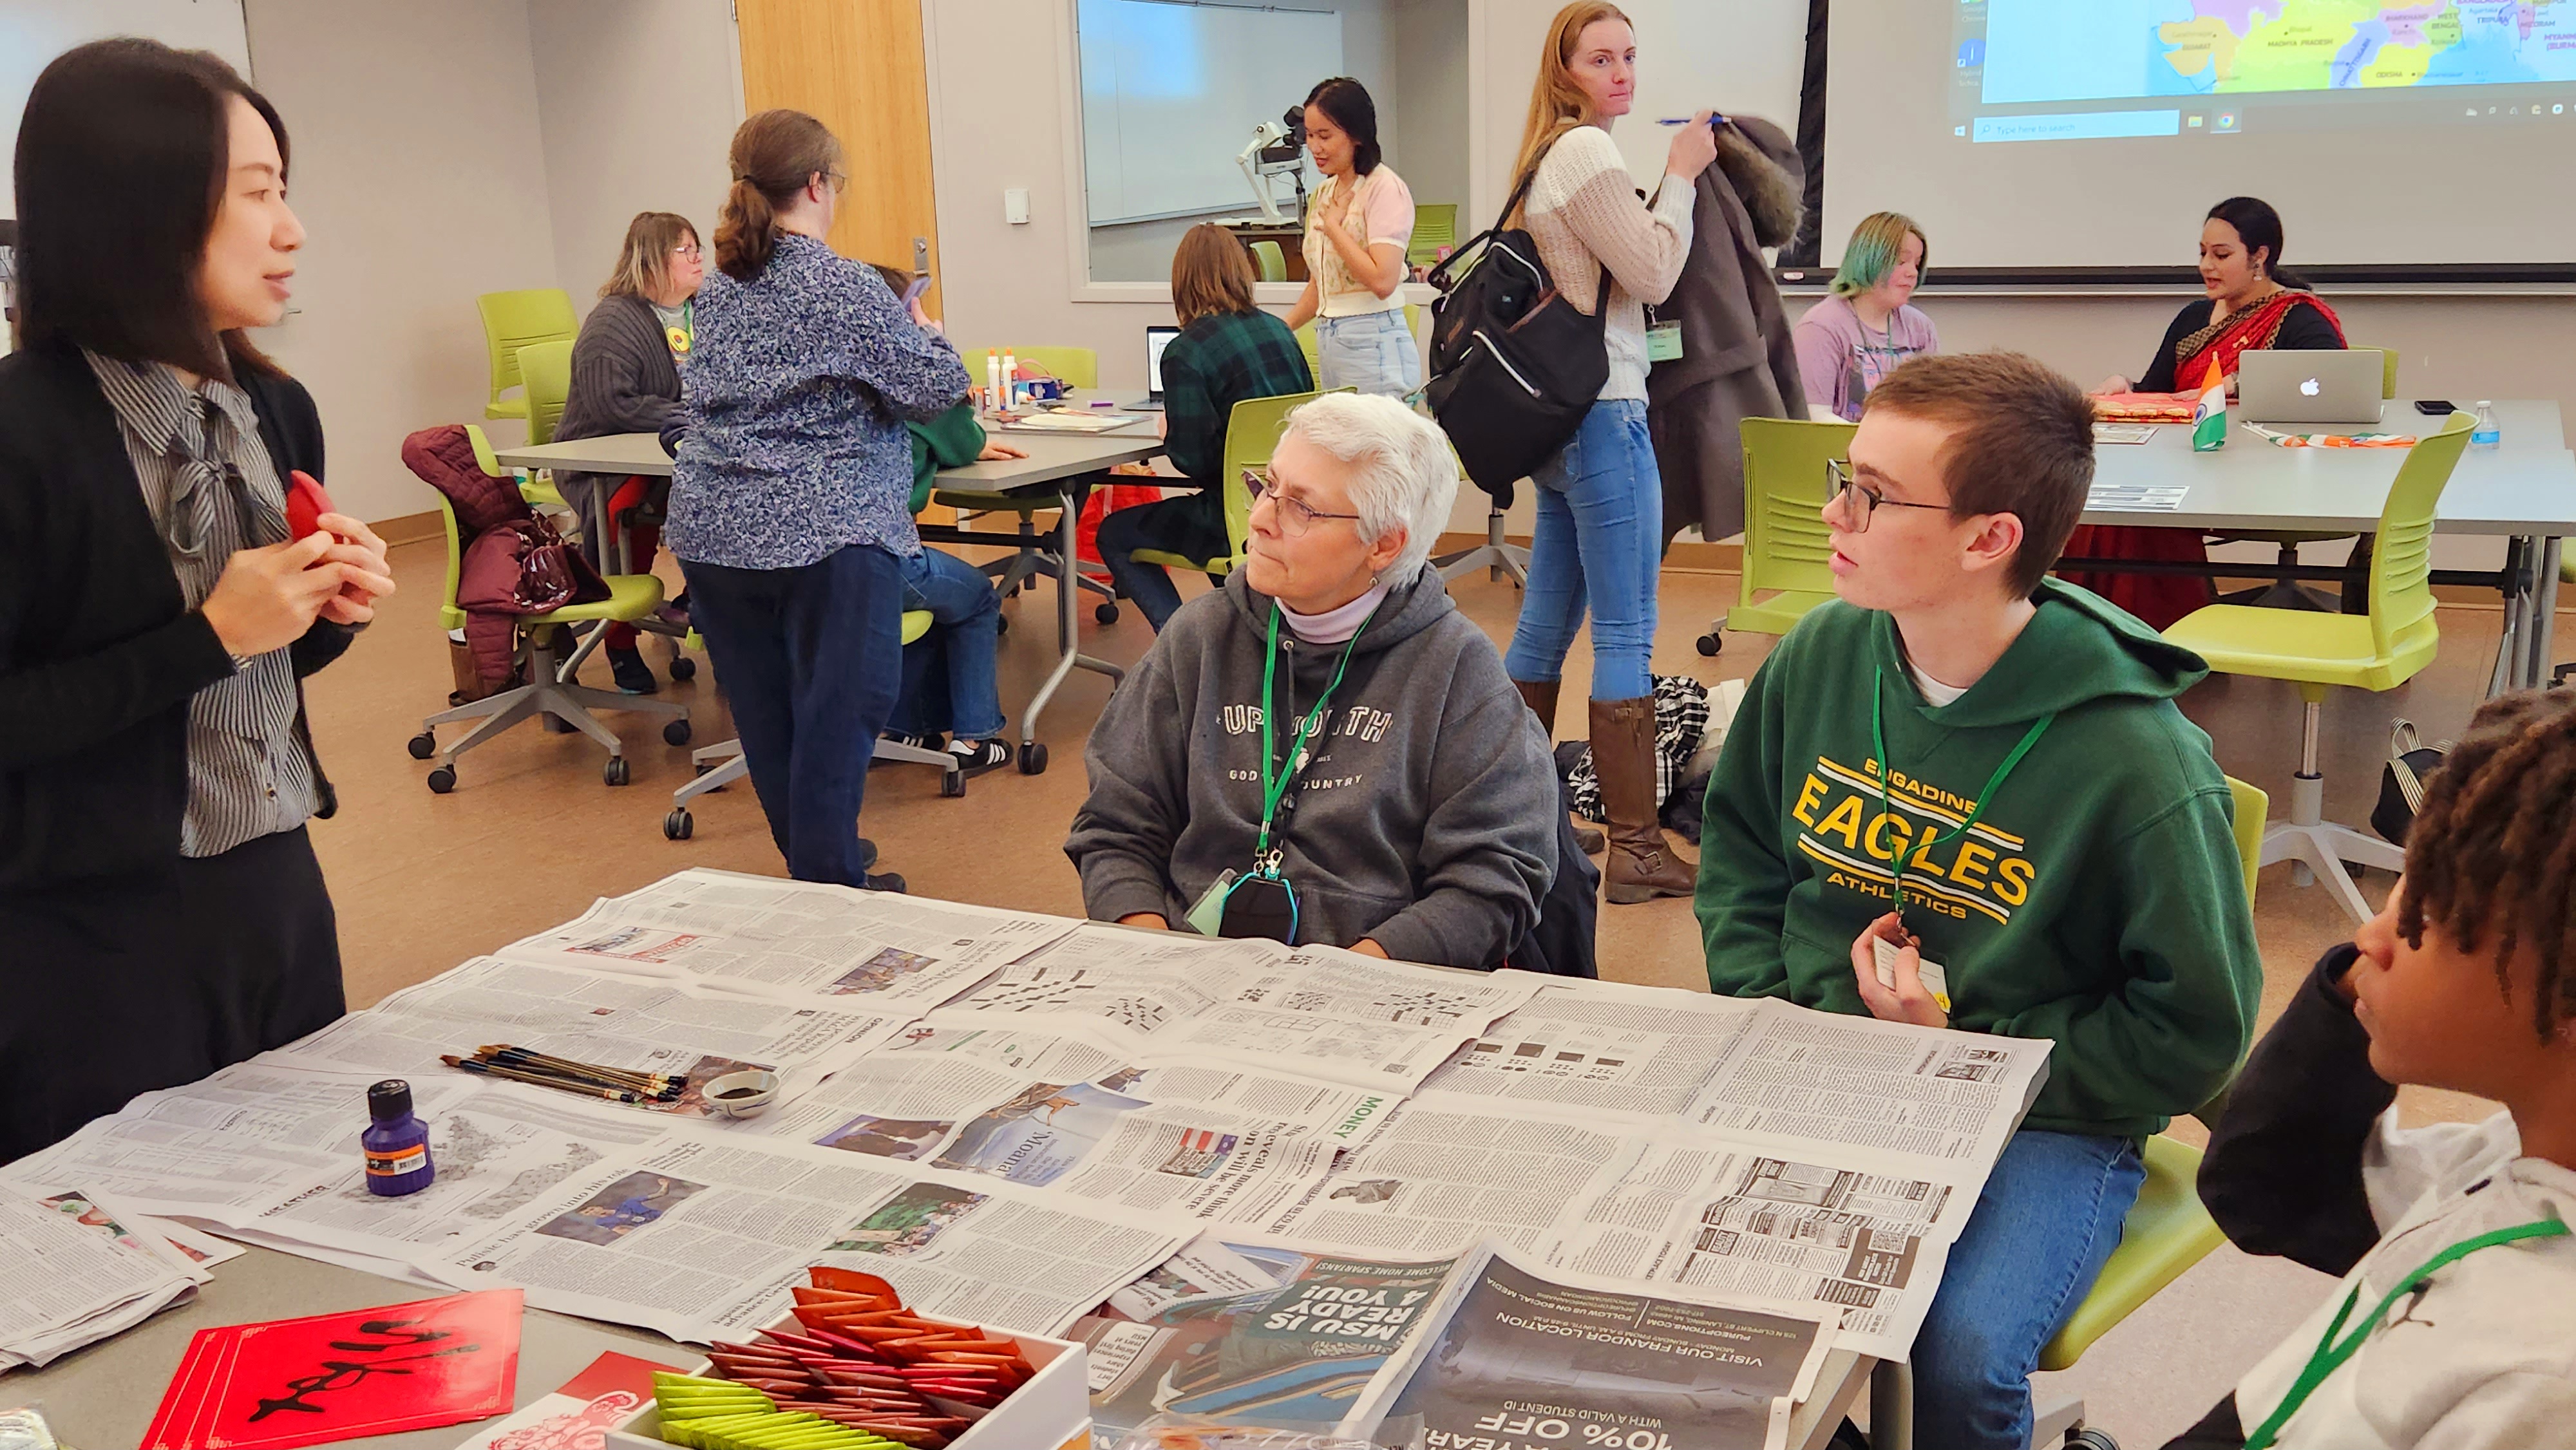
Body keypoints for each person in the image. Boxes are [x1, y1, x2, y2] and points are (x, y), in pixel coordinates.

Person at [1694, 353, 2258, 1450]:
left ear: (1989, 537)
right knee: (1679, 1300)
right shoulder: (1819, 653)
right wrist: (1782, 1009)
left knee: (1957, 1354)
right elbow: (1743, 858)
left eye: (1874, 494)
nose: (1833, 513)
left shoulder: (2138, 761)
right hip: (1822, 1056)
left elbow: (2194, 1032)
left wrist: (1970, 1052)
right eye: (1842, 476)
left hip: (2043, 1109)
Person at [0, 39, 395, 1163]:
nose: (292, 229)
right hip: (87, 935)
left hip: (274, 890)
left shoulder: (274, 411)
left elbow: (256, 675)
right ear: (141, 210)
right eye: (257, 194)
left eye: (287, 191)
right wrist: (208, 637)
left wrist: (321, 616)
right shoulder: (21, 437)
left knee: (313, 1203)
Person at [2170, 688, 2576, 1450]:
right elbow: (2270, 1190)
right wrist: (2351, 993)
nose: (2370, 932)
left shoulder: (2547, 1382)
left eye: (2423, 907)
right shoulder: (2515, 1153)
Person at [1068, 393, 1558, 969]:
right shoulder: (1198, 638)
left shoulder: (1456, 669)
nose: (1259, 519)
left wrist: (1354, 976)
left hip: (1372, 981)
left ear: (1384, 544)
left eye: (1301, 507)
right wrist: (1153, 950)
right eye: (1268, 486)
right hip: (1189, 963)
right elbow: (1116, 827)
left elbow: (1492, 880)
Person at [668, 109, 969, 891]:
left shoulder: (721, 285)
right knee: (843, 708)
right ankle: (832, 884)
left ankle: (819, 863)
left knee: (770, 717)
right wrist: (926, 331)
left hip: (715, 526)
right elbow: (936, 390)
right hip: (825, 525)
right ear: (815, 184)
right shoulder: (840, 283)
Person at [1499, 1, 1718, 904]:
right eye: (1601, 58)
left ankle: (1519, 819)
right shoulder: (1588, 153)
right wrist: (1683, 177)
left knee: (1545, 626)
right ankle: (1636, 849)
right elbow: (1654, 273)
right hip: (1605, 416)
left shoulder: (1544, 159)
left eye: (1629, 55)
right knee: (1626, 628)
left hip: (1563, 426)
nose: (1622, 72)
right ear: (1565, 72)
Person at [2074, 196, 2348, 628]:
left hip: (2259, 469)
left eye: (2221, 255)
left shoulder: (2298, 317)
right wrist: (2123, 387)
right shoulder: (2195, 316)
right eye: (2203, 254)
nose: (2207, 266)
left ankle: (2165, 637)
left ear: (2261, 256)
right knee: (2113, 498)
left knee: (2146, 505)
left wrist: (2236, 383)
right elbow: (2158, 391)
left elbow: (2330, 381)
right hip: (2186, 461)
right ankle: (2101, 636)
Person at [1096, 224, 1313, 632]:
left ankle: (1184, 648)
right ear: (1240, 271)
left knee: (1114, 533)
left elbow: (1193, 462)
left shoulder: (1186, 351)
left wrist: (1171, 432)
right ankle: (1241, 634)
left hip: (1232, 515)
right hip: (1294, 508)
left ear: (1181, 281)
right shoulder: (1279, 331)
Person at [555, 211, 704, 694]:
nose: (699, 259)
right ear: (655, 261)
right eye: (687, 250)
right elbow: (612, 404)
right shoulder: (614, 323)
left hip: (679, 449)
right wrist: (690, 415)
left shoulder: (705, 311)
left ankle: (704, 604)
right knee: (626, 512)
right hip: (604, 459)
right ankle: (618, 642)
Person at [1281, 77, 1419, 398]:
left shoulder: (1384, 188)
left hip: (1373, 339)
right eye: (1310, 136)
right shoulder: (1324, 193)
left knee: (1376, 446)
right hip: (1331, 338)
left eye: (1325, 136)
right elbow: (1323, 285)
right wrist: (1281, 330)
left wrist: (1334, 229)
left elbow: (1383, 281)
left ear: (1356, 135)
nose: (1315, 147)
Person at [1794, 211, 1937, 424]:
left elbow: (1933, 407)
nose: (1913, 273)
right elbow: (1815, 416)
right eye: (1901, 261)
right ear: (1868, 260)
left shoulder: (1921, 328)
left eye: (1916, 264)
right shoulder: (1820, 327)